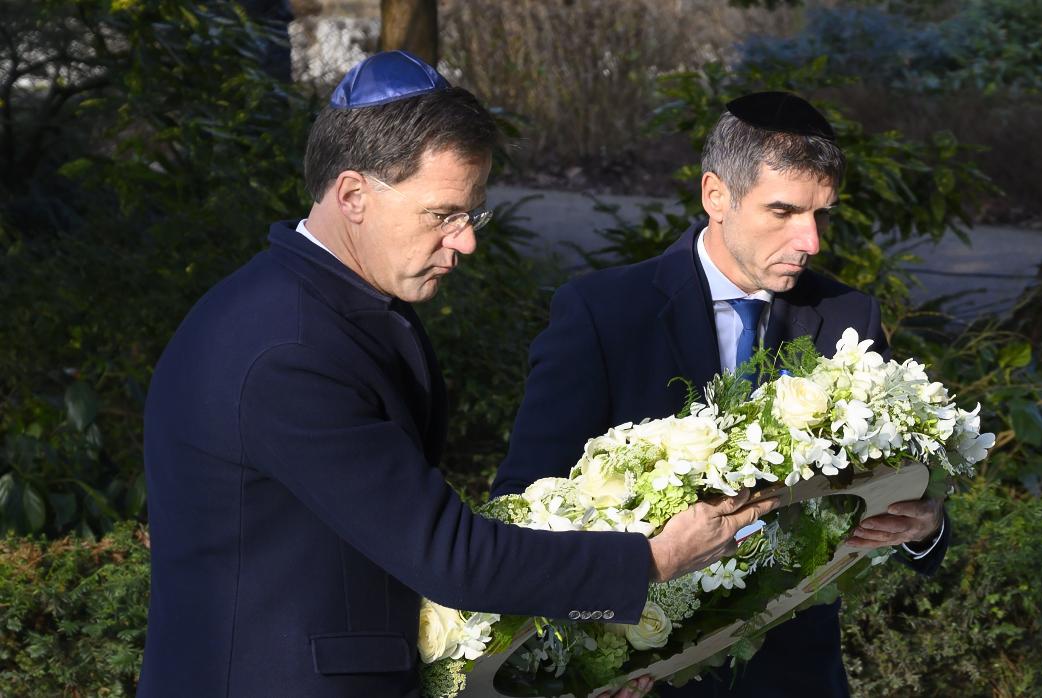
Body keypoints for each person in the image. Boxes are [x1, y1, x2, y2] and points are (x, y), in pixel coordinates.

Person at [138, 52, 778, 698]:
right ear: (353, 196)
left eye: (473, 214)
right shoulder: (289, 349)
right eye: (443, 214)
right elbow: (449, 555)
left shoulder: (322, 306)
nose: (466, 241)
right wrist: (654, 560)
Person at [492, 92, 949, 697]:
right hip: (642, 677)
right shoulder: (603, 313)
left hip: (796, 678)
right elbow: (525, 503)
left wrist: (926, 525)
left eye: (821, 214)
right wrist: (578, 661)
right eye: (783, 211)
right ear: (716, 195)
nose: (810, 240)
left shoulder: (848, 315)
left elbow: (899, 480)